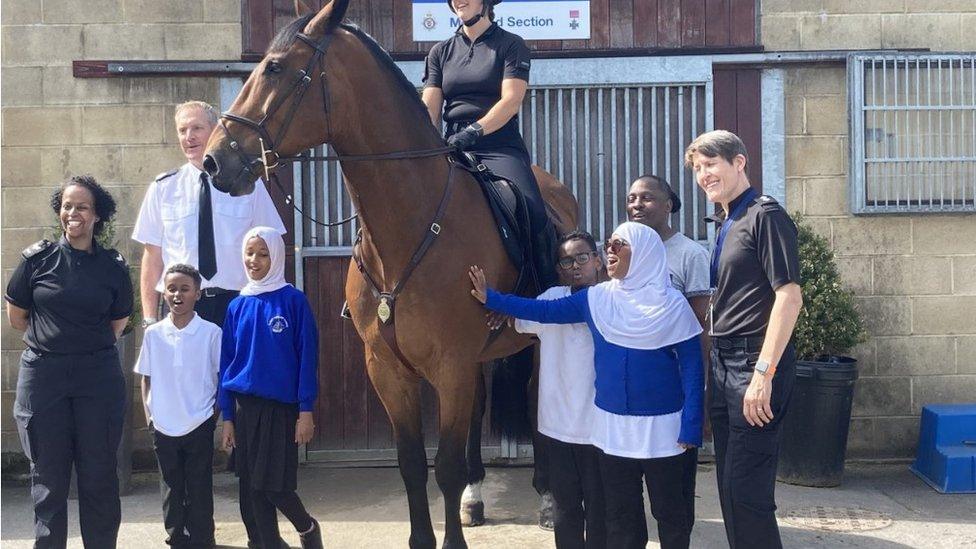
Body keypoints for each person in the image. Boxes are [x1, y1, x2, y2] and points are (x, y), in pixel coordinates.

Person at [469, 221, 705, 549]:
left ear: (645, 254)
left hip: (664, 430)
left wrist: (691, 426)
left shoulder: (674, 305)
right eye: (609, 243)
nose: (611, 250)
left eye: (619, 245)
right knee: (621, 515)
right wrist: (492, 298)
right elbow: (541, 310)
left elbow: (693, 370)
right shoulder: (597, 299)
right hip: (613, 431)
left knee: (670, 515)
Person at [686, 130, 803, 549]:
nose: (703, 174)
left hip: (753, 363)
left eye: (711, 164)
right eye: (697, 168)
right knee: (732, 491)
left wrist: (763, 373)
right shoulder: (728, 219)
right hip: (723, 361)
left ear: (739, 162)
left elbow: (789, 296)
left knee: (748, 493)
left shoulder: (763, 215)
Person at [5, 175, 132, 548]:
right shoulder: (36, 261)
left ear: (97, 216)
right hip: (45, 379)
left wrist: (82, 350)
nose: (73, 213)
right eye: (67, 206)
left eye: (82, 206)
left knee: (99, 477)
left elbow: (118, 323)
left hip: (96, 379)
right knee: (48, 479)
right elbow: (17, 317)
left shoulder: (112, 267)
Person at [421, 0, 557, 290]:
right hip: (452, 144)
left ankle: (545, 292)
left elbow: (511, 101)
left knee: (533, 210)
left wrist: (474, 131)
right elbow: (430, 108)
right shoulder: (440, 52)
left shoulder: (511, 45)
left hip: (499, 145)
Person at [132, 100, 286, 329]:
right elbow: (152, 257)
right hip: (182, 307)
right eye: (182, 131)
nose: (189, 137)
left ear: (215, 131)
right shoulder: (163, 188)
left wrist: (271, 307)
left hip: (239, 304)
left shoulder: (246, 184)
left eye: (196, 128)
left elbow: (273, 247)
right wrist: (150, 319)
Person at [219, 227, 323, 549]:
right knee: (251, 490)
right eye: (250, 253)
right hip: (245, 408)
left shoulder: (293, 301)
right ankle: (266, 543)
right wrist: (227, 417)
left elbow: (307, 357)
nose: (255, 260)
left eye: (263, 254)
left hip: (281, 409)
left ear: (276, 257)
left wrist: (305, 410)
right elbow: (226, 364)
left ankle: (307, 528)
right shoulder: (237, 306)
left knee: (274, 486)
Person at [626, 174, 711, 528]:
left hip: (674, 389)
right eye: (631, 199)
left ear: (669, 205)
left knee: (673, 495)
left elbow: (698, 328)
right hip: (632, 392)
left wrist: (699, 396)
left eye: (646, 198)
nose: (636, 205)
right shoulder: (624, 250)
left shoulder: (690, 254)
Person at [515, 231, 606, 549]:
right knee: (566, 509)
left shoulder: (612, 299)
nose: (575, 266)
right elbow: (521, 321)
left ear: (598, 260)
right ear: (559, 269)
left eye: (582, 257)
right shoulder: (551, 298)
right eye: (566, 261)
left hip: (601, 429)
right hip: (557, 427)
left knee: (600, 509)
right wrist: (492, 309)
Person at [135, 263, 222, 548]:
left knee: (198, 485)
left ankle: (203, 538)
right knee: (171, 486)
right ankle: (176, 537)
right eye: (171, 289)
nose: (177, 295)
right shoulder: (154, 335)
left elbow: (221, 377)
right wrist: (150, 417)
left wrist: (212, 416)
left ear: (197, 293)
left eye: (185, 289)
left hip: (199, 422)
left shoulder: (211, 333)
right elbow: (146, 379)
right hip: (163, 425)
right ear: (163, 293)